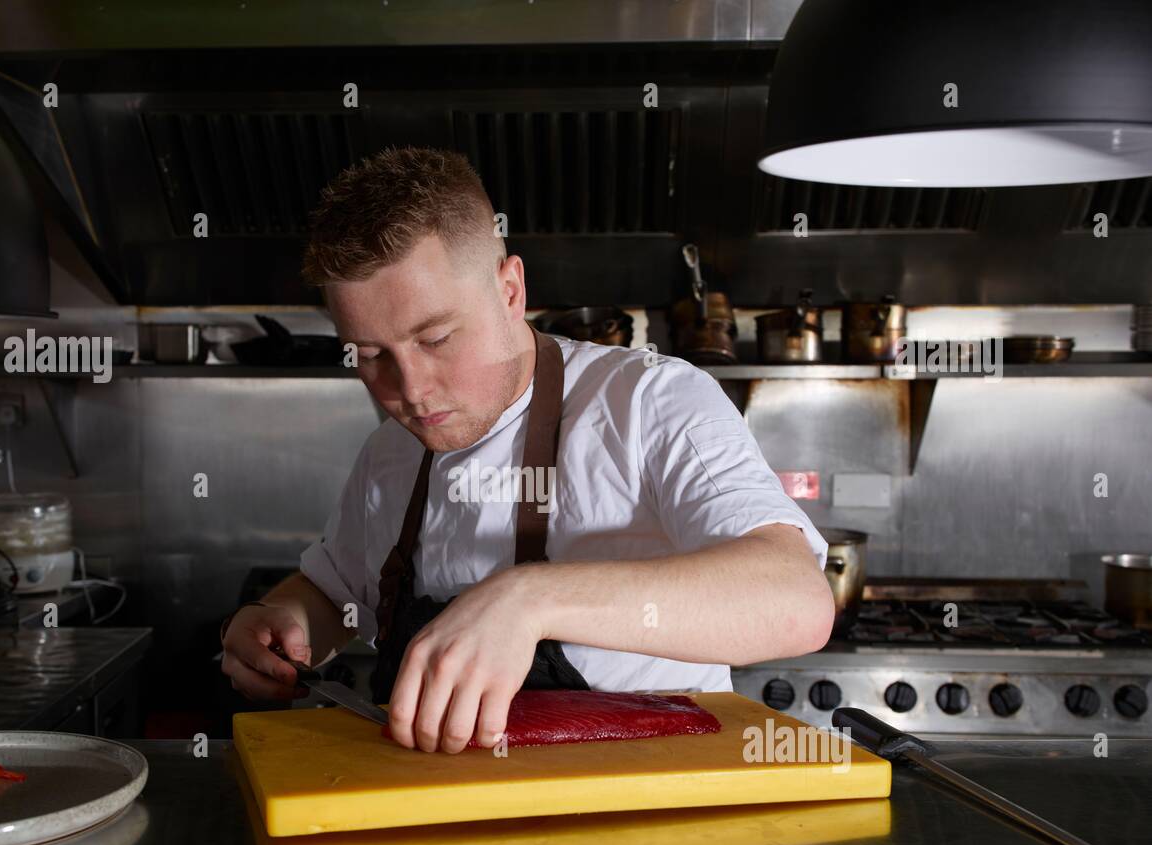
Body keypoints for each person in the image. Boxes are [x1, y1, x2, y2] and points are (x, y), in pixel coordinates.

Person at [221, 146, 834, 753]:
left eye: (435, 338)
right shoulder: (390, 453)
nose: (408, 391)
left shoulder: (649, 401)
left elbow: (795, 600)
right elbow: (333, 596)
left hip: (644, 821)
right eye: (371, 354)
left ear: (510, 289)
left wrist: (528, 598)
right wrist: (283, 624)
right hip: (441, 817)